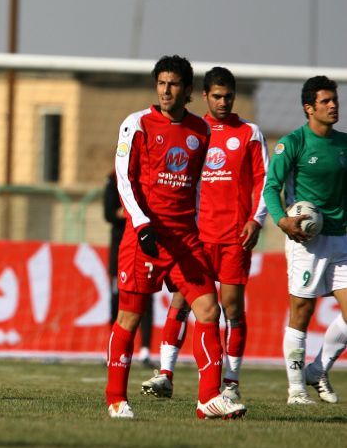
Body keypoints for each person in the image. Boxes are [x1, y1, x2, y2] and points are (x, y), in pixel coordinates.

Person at [106, 55, 247, 419]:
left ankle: (208, 398)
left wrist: (200, 227)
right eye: (161, 83)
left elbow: (197, 187)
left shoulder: (201, 131)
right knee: (129, 319)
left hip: (185, 240)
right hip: (146, 237)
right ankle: (116, 399)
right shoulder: (137, 124)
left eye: (173, 84)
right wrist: (141, 224)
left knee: (209, 310)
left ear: (187, 91)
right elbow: (124, 179)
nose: (166, 90)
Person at [141, 67, 269, 401]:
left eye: (228, 96)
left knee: (231, 308)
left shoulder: (250, 133)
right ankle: (165, 373)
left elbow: (264, 182)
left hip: (234, 237)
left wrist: (256, 220)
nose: (223, 102)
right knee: (181, 300)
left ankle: (231, 383)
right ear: (204, 96)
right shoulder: (195, 130)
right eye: (217, 96)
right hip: (196, 235)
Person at [262, 75, 347, 405]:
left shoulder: (343, 144)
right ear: (309, 108)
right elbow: (271, 187)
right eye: (325, 101)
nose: (333, 105)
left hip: (341, 238)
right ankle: (296, 388)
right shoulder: (293, 143)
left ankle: (317, 369)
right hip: (306, 241)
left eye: (334, 100)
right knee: (301, 312)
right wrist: (282, 220)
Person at [104, 170, 155, 368]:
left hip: (146, 245)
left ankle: (145, 350)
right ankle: (114, 350)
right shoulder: (113, 179)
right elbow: (109, 213)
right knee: (117, 299)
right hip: (121, 248)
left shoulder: (149, 176)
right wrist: (135, 213)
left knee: (146, 299)